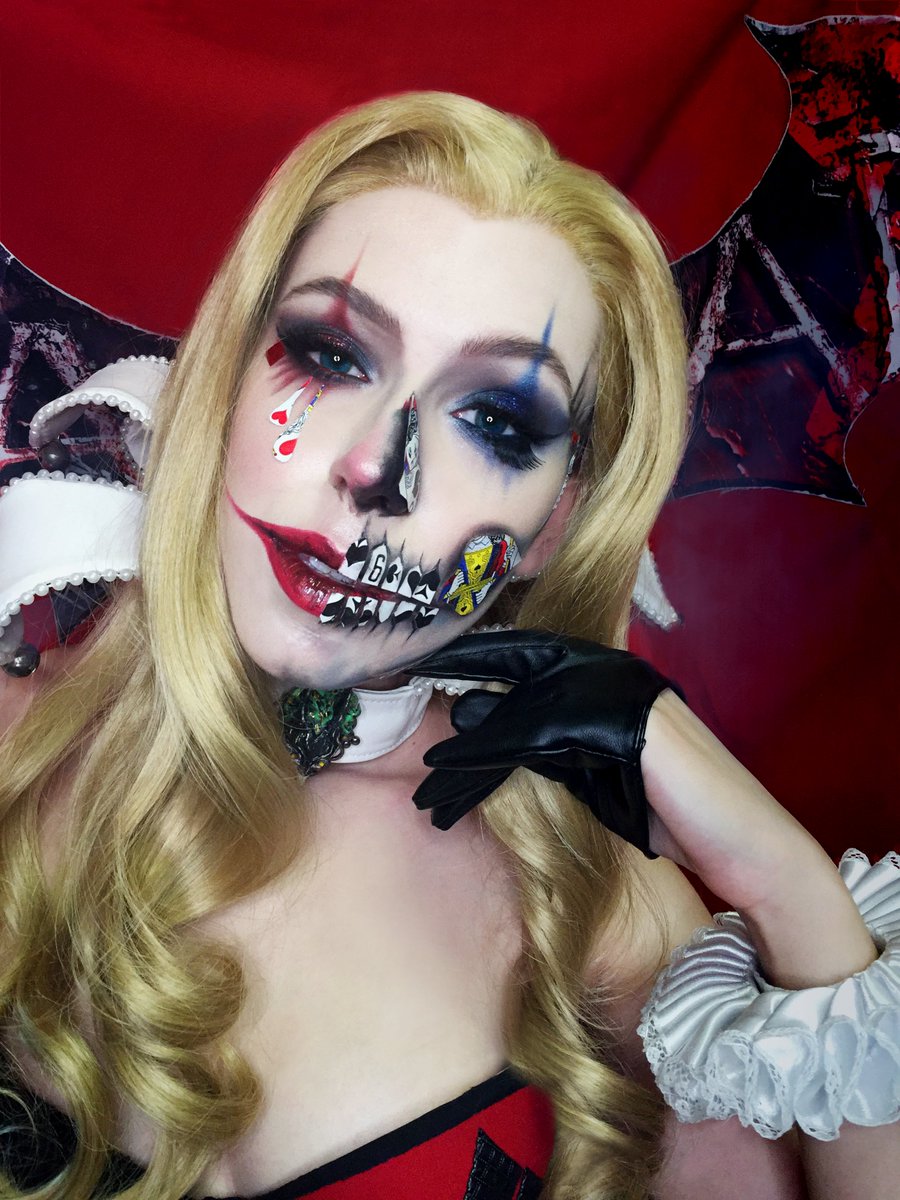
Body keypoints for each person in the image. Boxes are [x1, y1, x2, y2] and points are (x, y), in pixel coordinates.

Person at [0, 92, 896, 1200]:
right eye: (330, 355)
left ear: (552, 525)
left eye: (496, 423)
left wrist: (783, 885)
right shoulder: (20, 743)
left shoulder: (585, 894)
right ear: (222, 380)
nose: (377, 468)